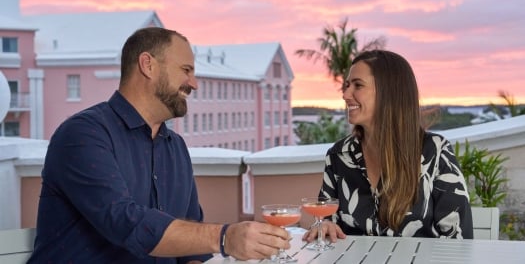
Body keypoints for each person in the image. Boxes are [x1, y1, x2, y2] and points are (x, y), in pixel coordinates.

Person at [28, 27, 291, 263]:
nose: (194, 84)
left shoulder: (175, 147)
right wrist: (225, 238)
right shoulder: (82, 134)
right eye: (186, 70)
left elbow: (190, 244)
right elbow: (125, 222)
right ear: (148, 65)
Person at [303, 50, 473, 243]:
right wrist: (323, 226)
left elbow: (458, 238)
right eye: (347, 85)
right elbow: (325, 220)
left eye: (358, 85)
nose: (345, 94)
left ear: (389, 92)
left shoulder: (435, 151)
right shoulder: (339, 155)